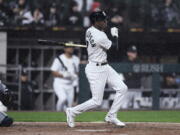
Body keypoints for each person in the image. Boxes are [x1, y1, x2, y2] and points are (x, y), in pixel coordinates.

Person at [65, 10, 128, 128]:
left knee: (122, 88)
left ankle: (111, 115)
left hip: (104, 66)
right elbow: (115, 48)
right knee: (96, 102)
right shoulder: (99, 36)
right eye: (103, 20)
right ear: (96, 22)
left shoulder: (90, 30)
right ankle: (72, 111)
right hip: (96, 69)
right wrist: (115, 35)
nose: (106, 22)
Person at [51, 47, 80, 111]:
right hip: (60, 83)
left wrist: (74, 75)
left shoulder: (76, 59)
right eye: (69, 47)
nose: (71, 49)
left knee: (70, 106)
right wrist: (64, 75)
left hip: (70, 84)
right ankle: (57, 113)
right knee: (63, 98)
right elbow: (53, 72)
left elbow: (77, 72)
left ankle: (66, 119)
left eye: (72, 47)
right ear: (65, 49)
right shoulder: (59, 58)